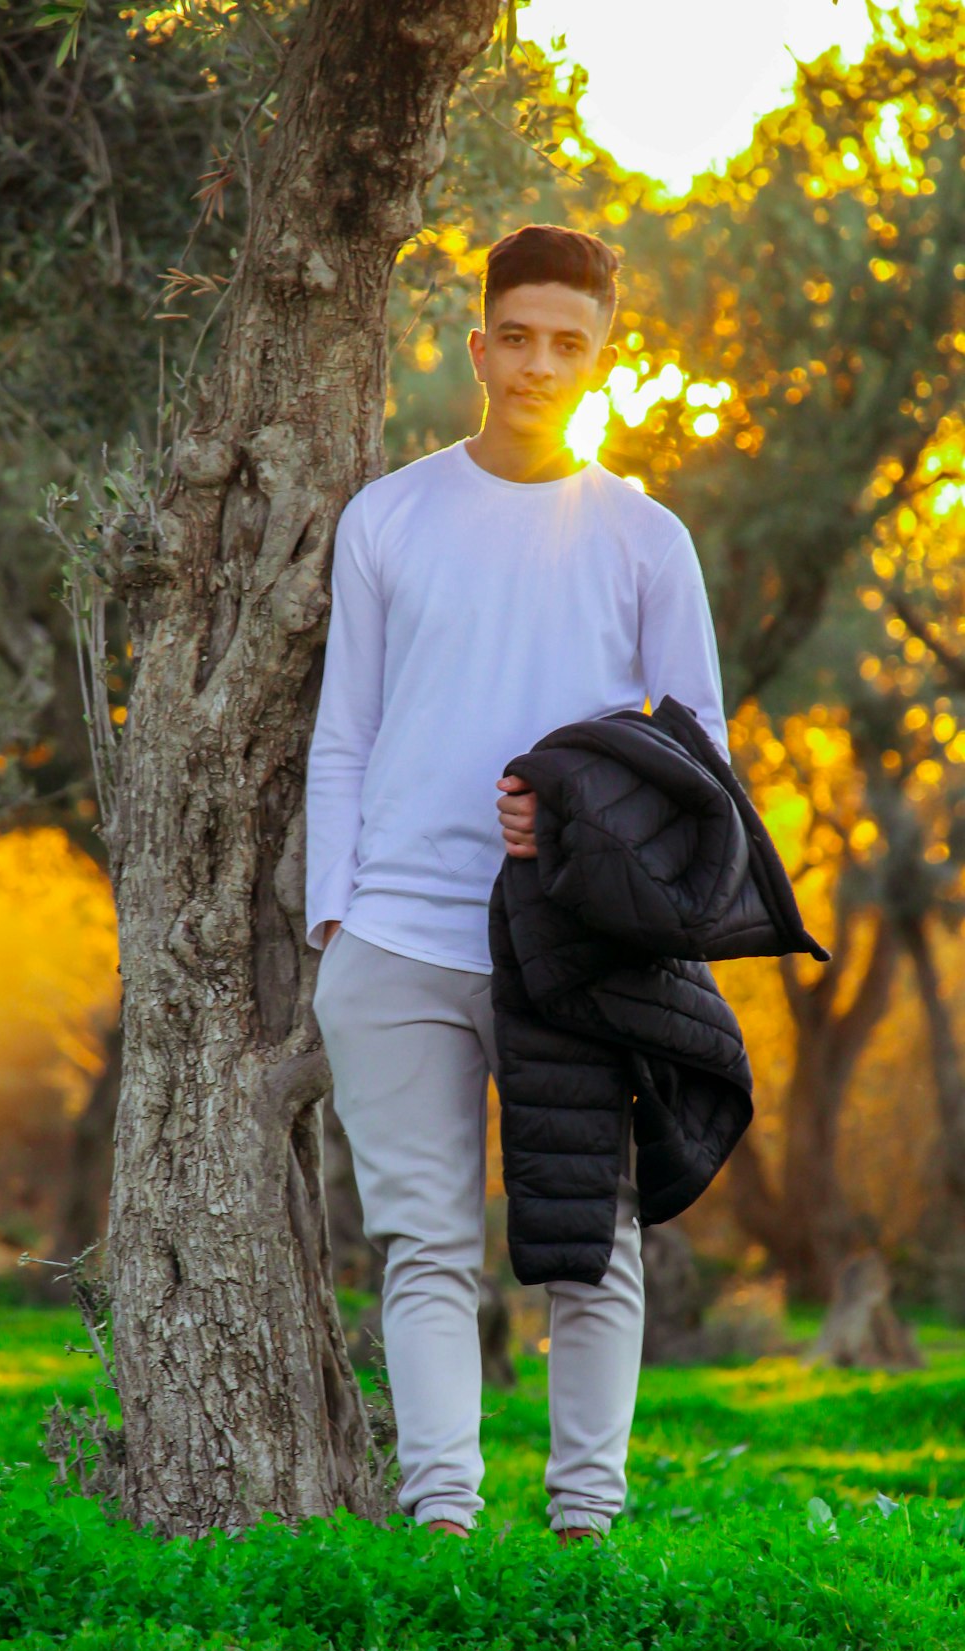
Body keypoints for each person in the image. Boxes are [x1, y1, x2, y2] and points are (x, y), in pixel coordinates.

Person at [305, 223, 730, 1545]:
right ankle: (445, 1529)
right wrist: (335, 921)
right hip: (401, 943)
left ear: (604, 359)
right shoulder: (389, 517)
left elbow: (700, 759)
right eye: (520, 337)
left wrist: (581, 815)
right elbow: (345, 731)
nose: (541, 363)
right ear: (478, 341)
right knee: (425, 1246)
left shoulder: (647, 538)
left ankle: (584, 1533)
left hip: (581, 951)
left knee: (593, 1241)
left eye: (571, 343)